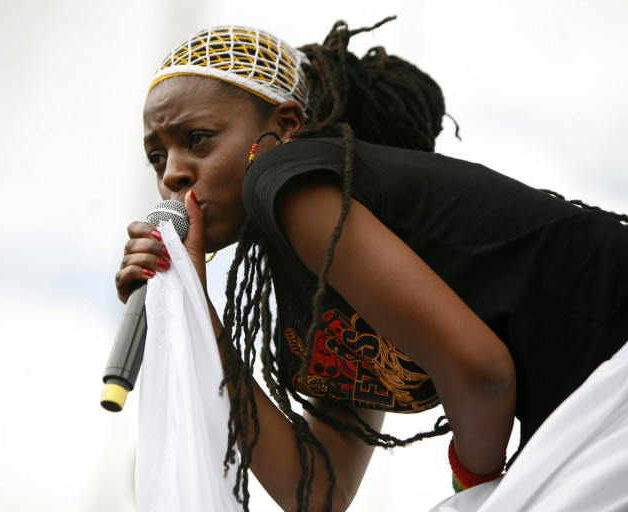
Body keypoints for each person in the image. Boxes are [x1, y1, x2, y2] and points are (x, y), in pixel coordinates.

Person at [115, 17, 628, 512]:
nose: (173, 173)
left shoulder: (284, 183)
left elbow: (483, 377)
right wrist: (194, 309)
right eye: (157, 157)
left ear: (285, 126)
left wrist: (474, 489)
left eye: (197, 139)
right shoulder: (313, 286)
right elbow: (317, 491)